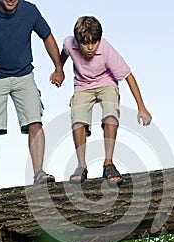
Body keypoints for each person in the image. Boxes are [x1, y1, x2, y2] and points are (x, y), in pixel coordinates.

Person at [60, 16, 152, 186]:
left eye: (93, 43)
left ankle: (108, 163)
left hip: (106, 83)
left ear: (99, 39)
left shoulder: (106, 50)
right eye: (85, 43)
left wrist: (141, 106)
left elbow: (128, 76)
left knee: (110, 115)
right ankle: (81, 165)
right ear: (77, 41)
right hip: (82, 85)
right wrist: (59, 70)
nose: (89, 48)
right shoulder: (69, 43)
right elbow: (65, 53)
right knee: (78, 119)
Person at [0, 0, 64, 191]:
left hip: (23, 74)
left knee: (35, 121)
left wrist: (58, 68)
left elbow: (47, 36)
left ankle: (39, 173)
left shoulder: (30, 11)